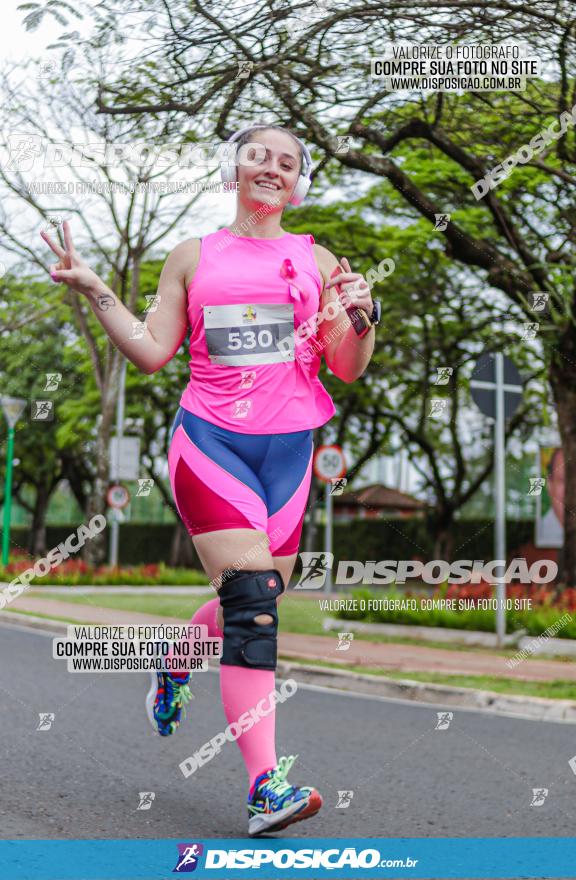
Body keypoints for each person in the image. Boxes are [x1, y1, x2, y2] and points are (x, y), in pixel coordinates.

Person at [41, 122, 378, 835]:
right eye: (258, 155)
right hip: (211, 444)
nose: (271, 167)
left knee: (252, 599)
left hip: (287, 452)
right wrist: (97, 287)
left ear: (298, 182)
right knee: (253, 603)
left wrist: (362, 317)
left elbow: (346, 366)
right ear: (234, 170)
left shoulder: (316, 259)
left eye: (287, 162)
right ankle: (265, 790)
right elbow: (152, 352)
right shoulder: (193, 257)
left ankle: (174, 660)